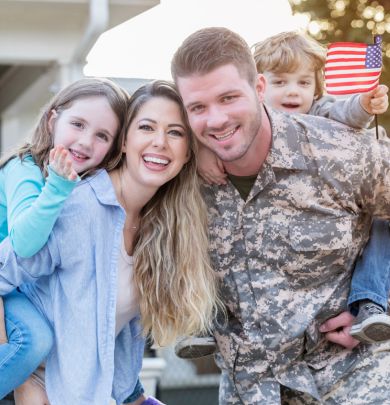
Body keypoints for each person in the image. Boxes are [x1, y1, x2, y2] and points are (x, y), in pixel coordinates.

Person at [171, 27, 390, 404]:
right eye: (199, 108)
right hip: (250, 391)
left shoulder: (340, 150)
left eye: (229, 98)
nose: (217, 119)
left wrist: (381, 304)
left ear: (258, 87)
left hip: (353, 384)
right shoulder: (177, 173)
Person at [0, 79, 220, 405]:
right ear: (124, 143)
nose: (160, 142)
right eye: (147, 127)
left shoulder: (162, 225)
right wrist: (26, 375)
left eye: (175, 132)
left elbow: (109, 328)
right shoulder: (78, 208)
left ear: (188, 152)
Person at [0, 77, 143, 402]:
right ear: (53, 120)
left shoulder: (87, 187)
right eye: (77, 124)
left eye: (102, 135)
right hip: (6, 281)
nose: (85, 141)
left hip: (22, 287)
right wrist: (57, 189)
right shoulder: (25, 168)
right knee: (34, 340)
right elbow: (24, 243)